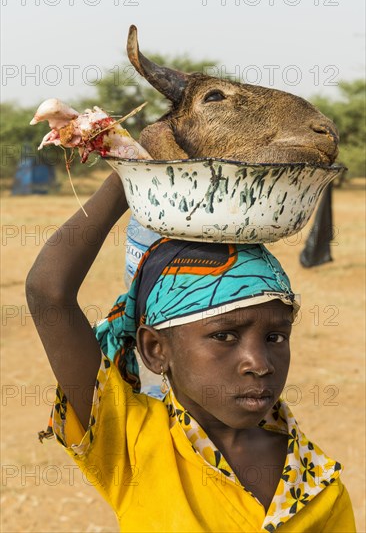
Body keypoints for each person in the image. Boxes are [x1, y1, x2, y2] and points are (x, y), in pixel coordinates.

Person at [26, 172, 355, 532]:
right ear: (155, 350)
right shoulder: (134, 441)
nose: (259, 364)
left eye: (275, 337)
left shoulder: (320, 486)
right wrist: (130, 176)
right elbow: (49, 293)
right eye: (225, 336)